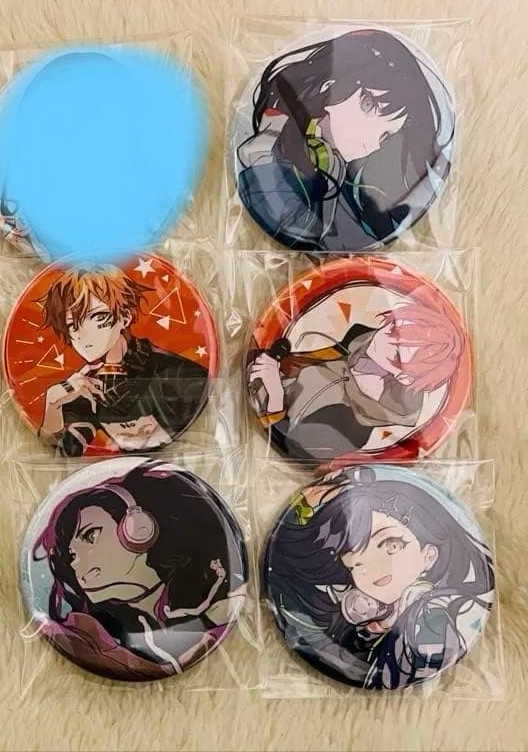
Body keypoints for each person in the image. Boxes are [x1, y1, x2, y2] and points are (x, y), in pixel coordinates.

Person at [264, 467, 493, 689]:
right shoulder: (373, 622)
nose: (374, 570)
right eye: (356, 564)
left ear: (429, 555)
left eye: (392, 545)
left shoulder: (438, 614)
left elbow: (416, 662)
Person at [237, 29, 452, 251]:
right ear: (329, 85)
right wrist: (262, 162)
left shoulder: (337, 172)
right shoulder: (268, 153)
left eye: (386, 134)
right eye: (369, 105)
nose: (373, 142)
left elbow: (342, 237)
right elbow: (292, 223)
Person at [32, 462, 246, 680]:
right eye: (71, 556)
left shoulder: (218, 595)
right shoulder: (83, 637)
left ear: (138, 530)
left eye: (91, 535)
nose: (76, 564)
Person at [247, 298, 466, 461]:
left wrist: (275, 394)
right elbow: (302, 360)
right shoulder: (357, 340)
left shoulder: (352, 429)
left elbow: (291, 445)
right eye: (393, 328)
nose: (384, 340)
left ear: (406, 378)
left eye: (398, 354)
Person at [38, 266, 210, 455]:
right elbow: (64, 451)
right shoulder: (83, 386)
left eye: (98, 317)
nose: (83, 334)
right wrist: (52, 405)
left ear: (125, 317)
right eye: (72, 325)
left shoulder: (177, 373)